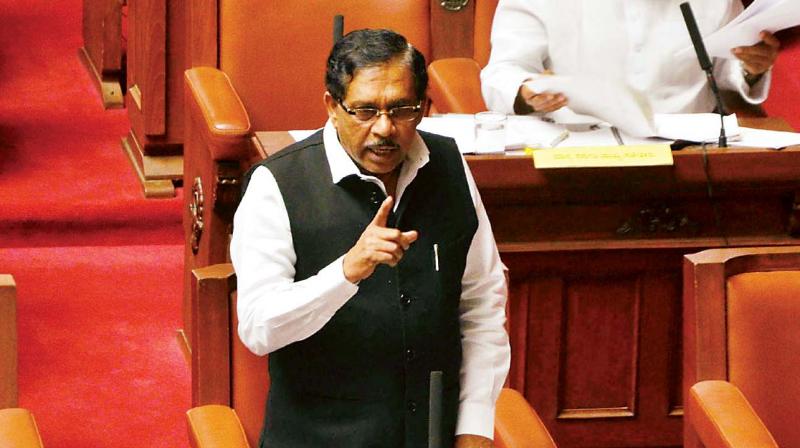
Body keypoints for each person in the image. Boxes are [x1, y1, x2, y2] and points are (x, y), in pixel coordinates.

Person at [230, 28, 510, 448]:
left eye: (401, 109)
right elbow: (259, 328)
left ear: (424, 107)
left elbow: (481, 301)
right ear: (332, 106)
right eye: (364, 111)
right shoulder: (277, 185)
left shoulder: (448, 166)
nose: (385, 129)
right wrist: (346, 271)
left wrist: (474, 424)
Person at [481, 0, 781, 115]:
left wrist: (752, 68)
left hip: (688, 157)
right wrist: (525, 91)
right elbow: (504, 70)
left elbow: (725, 71)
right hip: (573, 153)